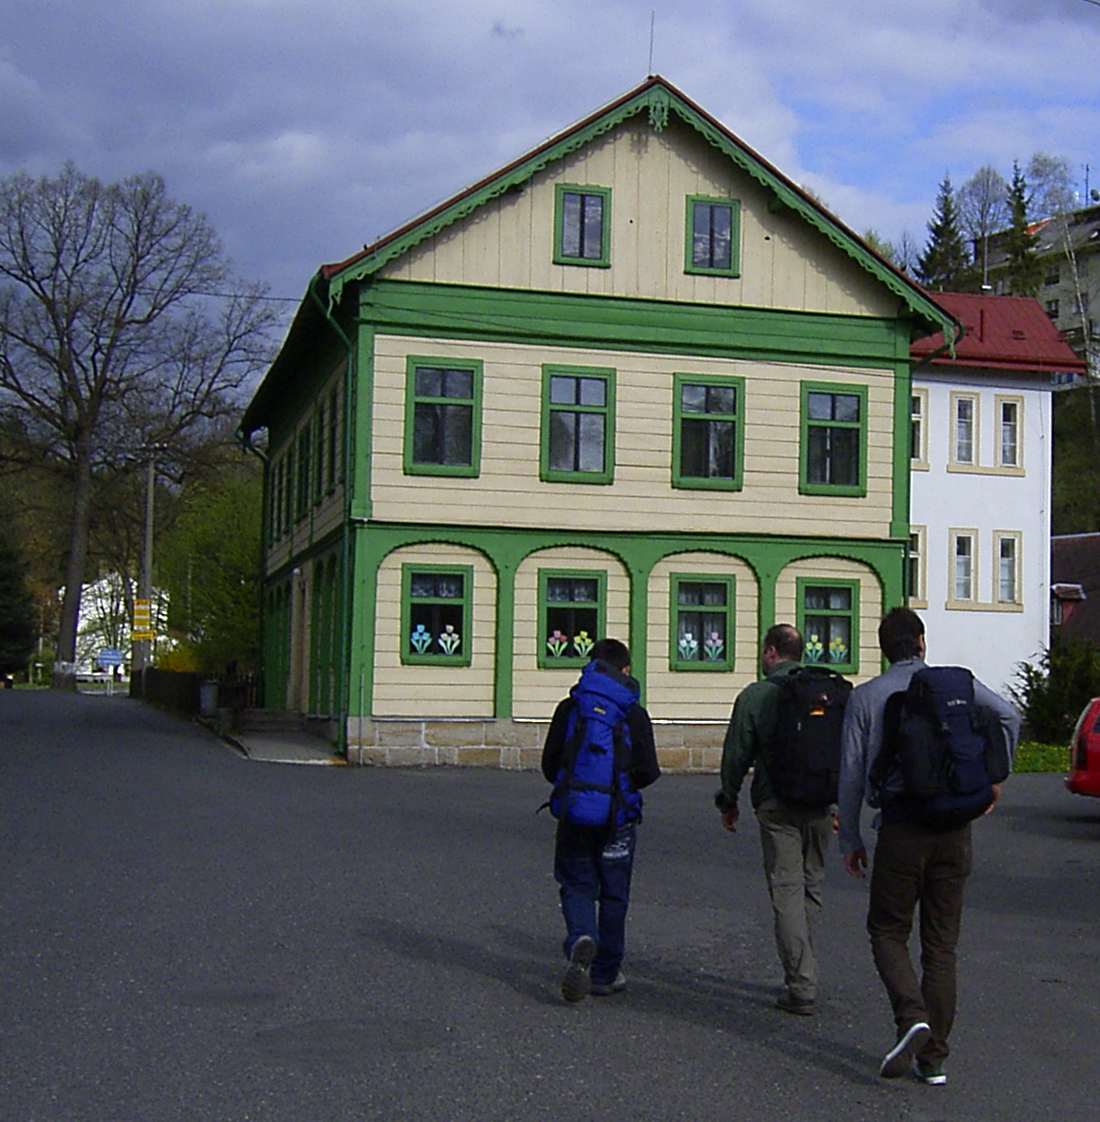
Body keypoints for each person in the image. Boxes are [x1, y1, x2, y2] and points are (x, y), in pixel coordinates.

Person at [837, 607, 1019, 1085]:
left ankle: (910, 1016)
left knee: (887, 930)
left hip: (901, 829)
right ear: (921, 641)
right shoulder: (956, 686)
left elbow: (853, 774)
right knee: (941, 945)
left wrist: (851, 836)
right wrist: (996, 780)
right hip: (955, 827)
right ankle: (934, 1058)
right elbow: (1008, 715)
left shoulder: (867, 697)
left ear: (882, 648)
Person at [715, 623, 835, 1016]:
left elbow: (737, 754)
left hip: (776, 802)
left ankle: (801, 984)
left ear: (770, 652)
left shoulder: (756, 695)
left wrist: (728, 799)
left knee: (785, 891)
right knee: (810, 888)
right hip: (821, 804)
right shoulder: (826, 690)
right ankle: (805, 963)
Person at [541, 638, 660, 1003]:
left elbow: (550, 765)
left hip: (576, 814)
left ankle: (580, 935)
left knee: (576, 884)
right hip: (618, 819)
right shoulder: (632, 711)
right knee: (614, 894)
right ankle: (606, 974)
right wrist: (619, 787)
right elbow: (648, 771)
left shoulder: (571, 706)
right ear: (625, 669)